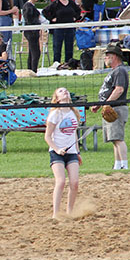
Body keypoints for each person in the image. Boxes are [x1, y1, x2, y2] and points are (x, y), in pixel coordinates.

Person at [91, 42, 129, 170]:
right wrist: (100, 104)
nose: (105, 58)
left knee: (118, 138)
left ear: (114, 56)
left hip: (116, 107)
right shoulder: (114, 71)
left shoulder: (120, 71)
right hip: (110, 106)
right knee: (114, 139)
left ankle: (124, 165)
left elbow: (119, 89)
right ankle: (117, 165)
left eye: (107, 55)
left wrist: (107, 103)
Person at [45, 87, 81, 219]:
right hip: (57, 152)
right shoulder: (55, 114)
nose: (64, 91)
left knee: (74, 182)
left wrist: (77, 152)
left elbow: (74, 134)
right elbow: (47, 137)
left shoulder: (73, 112)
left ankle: (69, 213)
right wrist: (57, 149)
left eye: (66, 90)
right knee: (60, 181)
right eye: (60, 91)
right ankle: (56, 214)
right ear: (57, 98)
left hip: (71, 152)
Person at [43, 0, 79, 64]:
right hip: (58, 29)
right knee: (57, 48)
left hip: (70, 28)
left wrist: (75, 18)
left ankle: (68, 63)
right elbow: (44, 11)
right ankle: (57, 64)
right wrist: (52, 19)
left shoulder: (71, 3)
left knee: (69, 48)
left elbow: (78, 11)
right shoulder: (55, 4)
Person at [21, 0, 42, 72]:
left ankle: (30, 69)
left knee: (32, 52)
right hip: (31, 31)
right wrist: (34, 28)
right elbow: (28, 19)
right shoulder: (28, 6)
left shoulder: (32, 6)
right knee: (36, 52)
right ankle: (33, 70)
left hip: (34, 31)